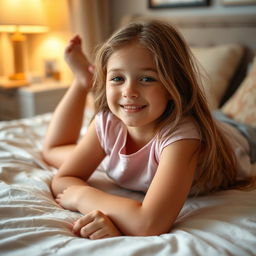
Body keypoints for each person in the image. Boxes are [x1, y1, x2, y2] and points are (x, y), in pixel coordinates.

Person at [42, 19, 255, 240]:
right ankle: (83, 80)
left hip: (236, 134)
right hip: (166, 126)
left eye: (146, 78)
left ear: (174, 86)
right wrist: (122, 216)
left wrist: (82, 196)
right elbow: (63, 178)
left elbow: (149, 223)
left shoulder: (183, 138)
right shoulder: (108, 122)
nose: (129, 91)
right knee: (52, 153)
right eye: (117, 78)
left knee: (219, 121)